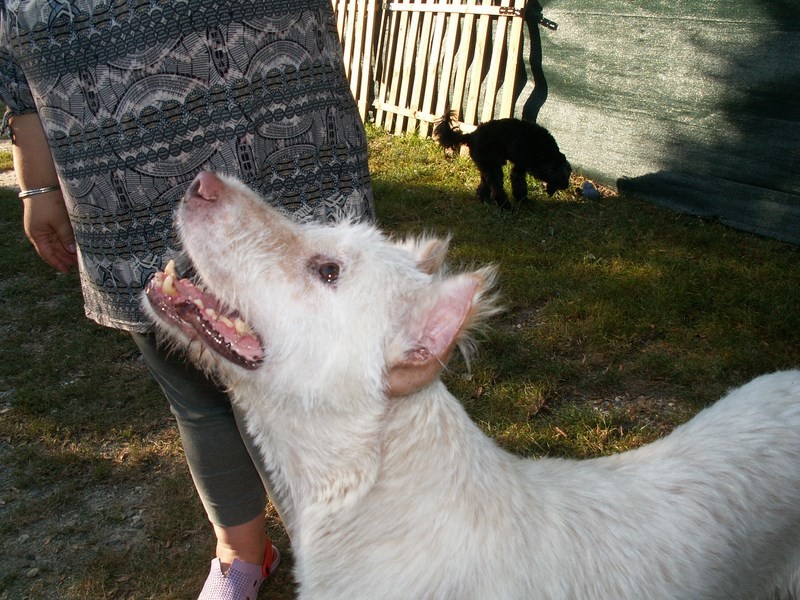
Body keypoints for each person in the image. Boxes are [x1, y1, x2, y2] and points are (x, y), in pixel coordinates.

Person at [0, 1, 374, 598]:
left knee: (319, 374)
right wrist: (37, 182)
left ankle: (350, 551)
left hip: (274, 114)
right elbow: (15, 65)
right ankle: (242, 552)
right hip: (118, 153)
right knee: (193, 380)